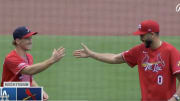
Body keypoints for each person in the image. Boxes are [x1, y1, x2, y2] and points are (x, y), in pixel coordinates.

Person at [73, 20, 180, 101]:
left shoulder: (170, 51)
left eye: (142, 35)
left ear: (152, 34)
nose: (140, 38)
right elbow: (115, 58)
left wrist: (175, 98)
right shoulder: (139, 50)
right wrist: (92, 54)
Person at [1, 26, 65, 101]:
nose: (30, 41)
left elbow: (29, 78)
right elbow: (28, 70)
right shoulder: (11, 58)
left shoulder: (29, 57)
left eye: (30, 38)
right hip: (8, 95)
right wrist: (52, 60)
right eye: (27, 39)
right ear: (18, 41)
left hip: (21, 94)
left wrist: (40, 92)